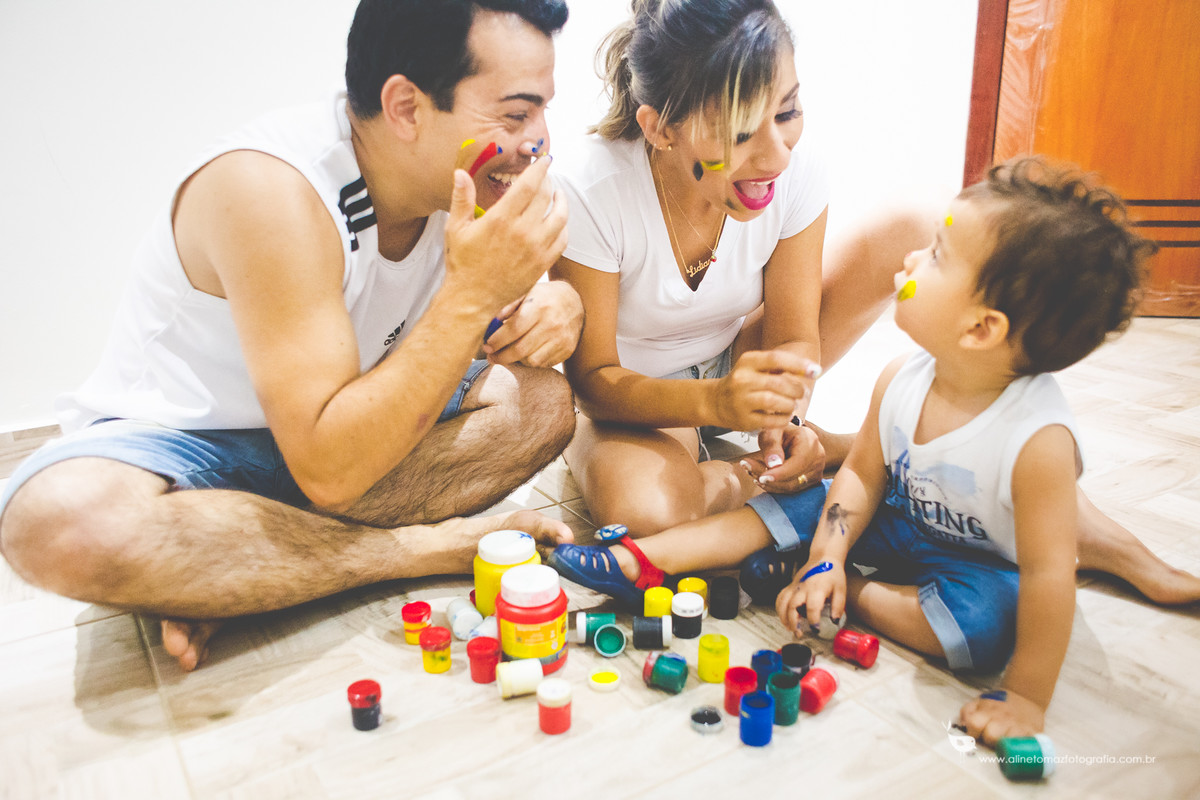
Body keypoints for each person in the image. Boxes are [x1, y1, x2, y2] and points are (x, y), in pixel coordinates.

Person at [0, 0, 583, 672]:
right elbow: (331, 473)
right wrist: (472, 292)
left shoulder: (462, 184)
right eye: (515, 115)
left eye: (541, 111)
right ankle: (413, 552)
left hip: (335, 437)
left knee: (543, 404)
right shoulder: (272, 189)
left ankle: (240, 561)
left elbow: (500, 330)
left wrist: (558, 302)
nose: (539, 140)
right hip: (190, 450)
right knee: (61, 525)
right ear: (406, 107)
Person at [550, 157, 1200, 743]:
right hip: (895, 517)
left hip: (976, 558)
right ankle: (637, 560)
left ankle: (855, 597)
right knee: (795, 509)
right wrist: (828, 553)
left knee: (981, 627)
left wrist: (1027, 698)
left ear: (981, 328)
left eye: (938, 258)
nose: (912, 264)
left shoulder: (1040, 443)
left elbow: (1052, 579)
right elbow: (859, 478)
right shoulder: (901, 379)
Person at [551, 0, 931, 538]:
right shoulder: (590, 189)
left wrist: (785, 422)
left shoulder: (794, 174)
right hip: (636, 392)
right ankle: (801, 468)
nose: (776, 157)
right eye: (739, 133)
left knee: (917, 224)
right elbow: (592, 383)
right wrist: (717, 406)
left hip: (736, 356)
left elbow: (795, 336)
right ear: (659, 129)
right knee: (647, 515)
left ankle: (810, 452)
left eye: (786, 113)